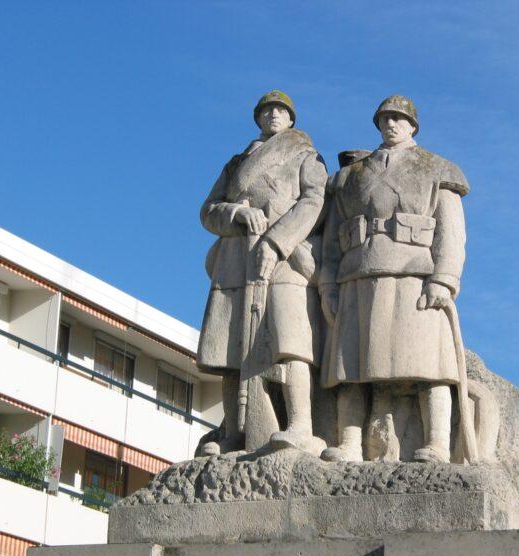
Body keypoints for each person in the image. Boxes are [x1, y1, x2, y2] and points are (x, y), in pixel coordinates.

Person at [320, 95, 469, 463]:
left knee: (429, 365)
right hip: (358, 275)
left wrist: (444, 278)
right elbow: (331, 239)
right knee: (350, 368)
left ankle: (436, 442)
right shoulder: (352, 175)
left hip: (415, 277)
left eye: (399, 118)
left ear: (412, 125)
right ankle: (351, 443)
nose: (391, 124)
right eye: (385, 118)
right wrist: (327, 284)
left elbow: (451, 232)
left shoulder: (436, 168)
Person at [197, 90, 327, 455]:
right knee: (228, 349)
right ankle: (234, 432)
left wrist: (277, 240)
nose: (273, 115)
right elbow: (208, 211)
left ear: (291, 119)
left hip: (286, 256)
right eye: (267, 110)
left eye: (280, 110)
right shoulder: (237, 162)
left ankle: (301, 423)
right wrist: (236, 214)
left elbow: (314, 202)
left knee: (291, 341)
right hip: (235, 259)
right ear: (257, 118)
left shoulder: (305, 156)